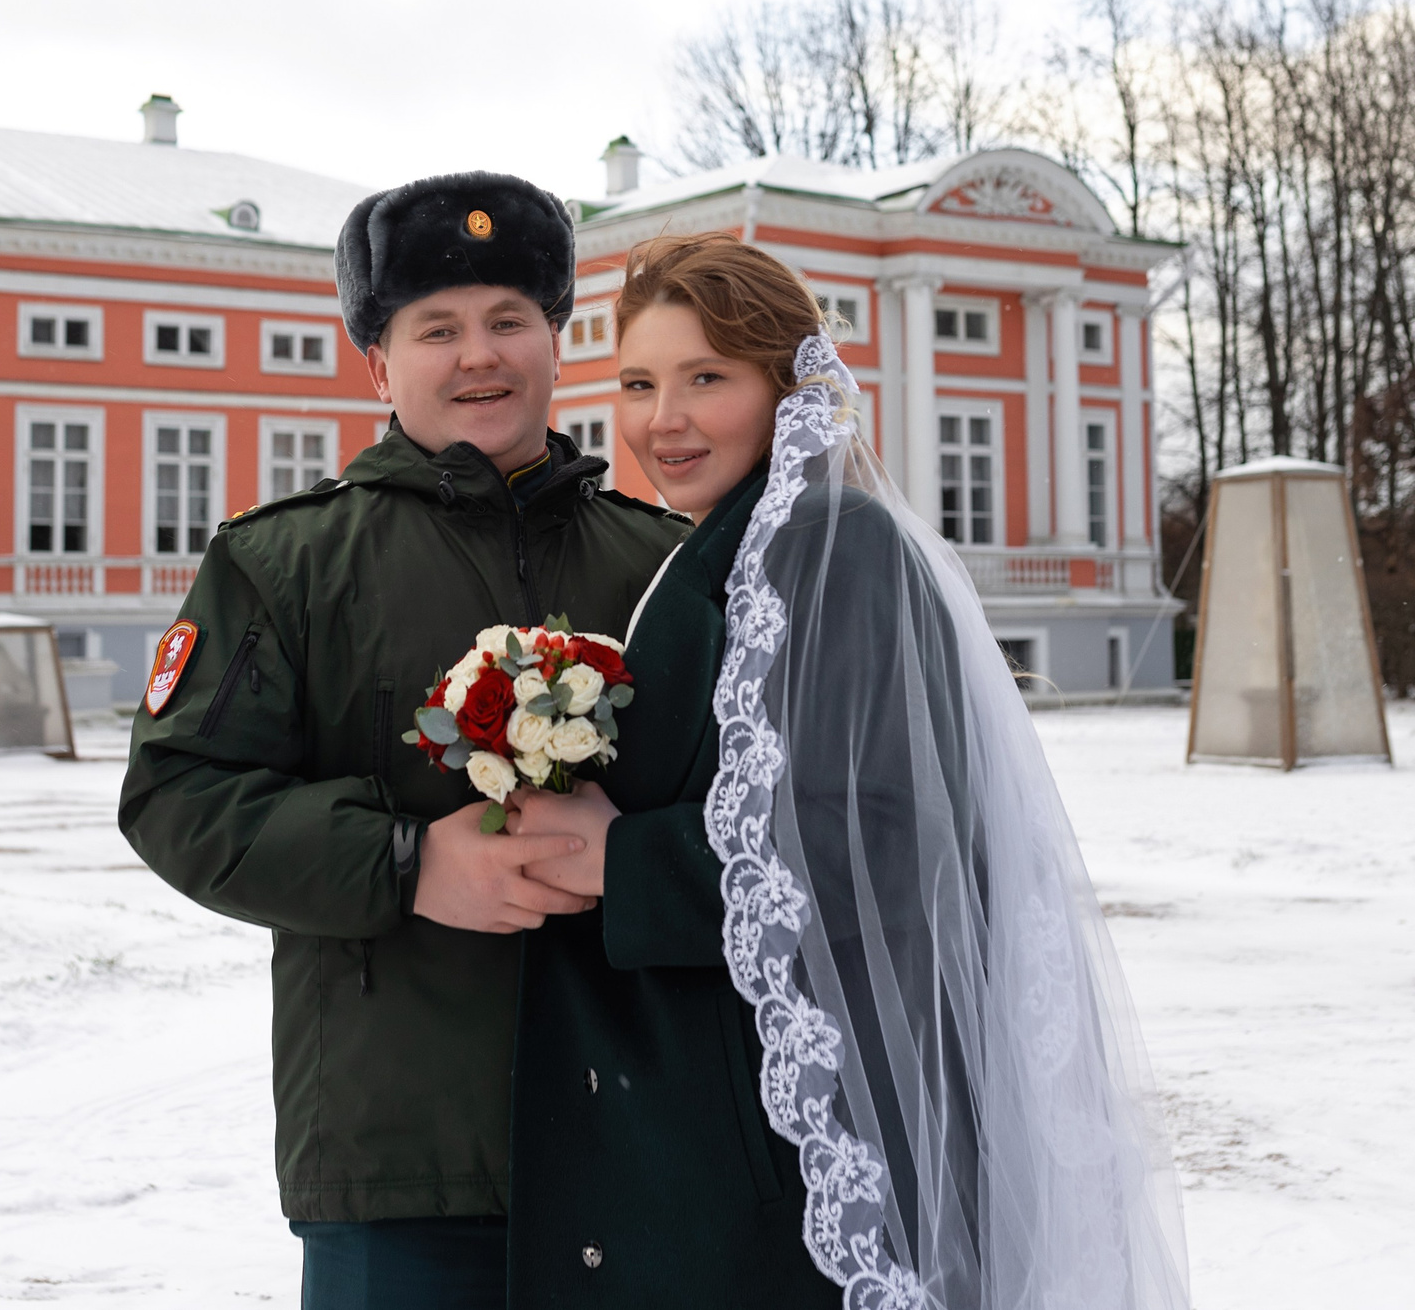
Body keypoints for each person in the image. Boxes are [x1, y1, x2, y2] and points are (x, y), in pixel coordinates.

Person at [505, 233, 1191, 1309]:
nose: (662, 419)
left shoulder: (831, 541)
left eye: (707, 379)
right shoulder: (726, 540)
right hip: (715, 1120)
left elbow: (883, 833)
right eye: (638, 383)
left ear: (786, 388)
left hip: (795, 1136)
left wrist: (623, 857)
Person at [118, 172, 685, 1310]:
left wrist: (635, 853)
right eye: (438, 327)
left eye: (508, 319)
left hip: (654, 1141)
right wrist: (409, 863)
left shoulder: (665, 564)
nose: (479, 354)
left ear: (554, 340)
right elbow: (177, 795)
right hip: (399, 1163)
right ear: (378, 361)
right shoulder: (282, 564)